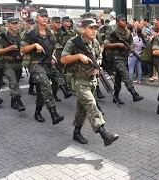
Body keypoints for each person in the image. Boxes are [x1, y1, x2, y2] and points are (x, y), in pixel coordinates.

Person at [61, 18, 119, 146]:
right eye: (91, 28)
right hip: (78, 81)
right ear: (83, 29)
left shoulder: (95, 42)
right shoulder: (73, 42)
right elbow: (63, 59)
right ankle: (104, 134)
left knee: (82, 108)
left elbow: (99, 56)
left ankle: (76, 132)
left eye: (95, 28)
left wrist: (97, 63)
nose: (94, 31)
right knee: (91, 104)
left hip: (91, 81)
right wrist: (78, 56)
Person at [21, 9, 64, 124]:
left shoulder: (50, 33)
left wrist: (54, 56)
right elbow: (23, 49)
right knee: (45, 84)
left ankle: (37, 112)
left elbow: (54, 45)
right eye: (42, 16)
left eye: (46, 16)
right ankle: (53, 114)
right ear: (37, 18)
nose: (45, 18)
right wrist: (35, 45)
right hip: (35, 64)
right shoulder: (30, 33)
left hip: (48, 63)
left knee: (41, 90)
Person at [104, 14, 144, 105]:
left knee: (119, 77)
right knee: (125, 74)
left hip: (124, 57)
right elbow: (105, 44)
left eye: (125, 20)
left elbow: (131, 43)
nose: (125, 22)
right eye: (122, 20)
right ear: (117, 22)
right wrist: (118, 44)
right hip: (115, 57)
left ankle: (116, 96)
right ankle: (134, 93)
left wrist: (130, 47)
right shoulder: (112, 30)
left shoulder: (128, 32)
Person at [0, 17, 25, 111]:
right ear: (8, 24)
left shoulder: (20, 35)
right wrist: (8, 49)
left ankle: (13, 102)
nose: (15, 25)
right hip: (7, 64)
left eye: (16, 23)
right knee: (13, 82)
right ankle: (19, 101)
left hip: (18, 63)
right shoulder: (4, 36)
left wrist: (21, 53)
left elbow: (24, 47)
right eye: (13, 23)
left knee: (16, 82)